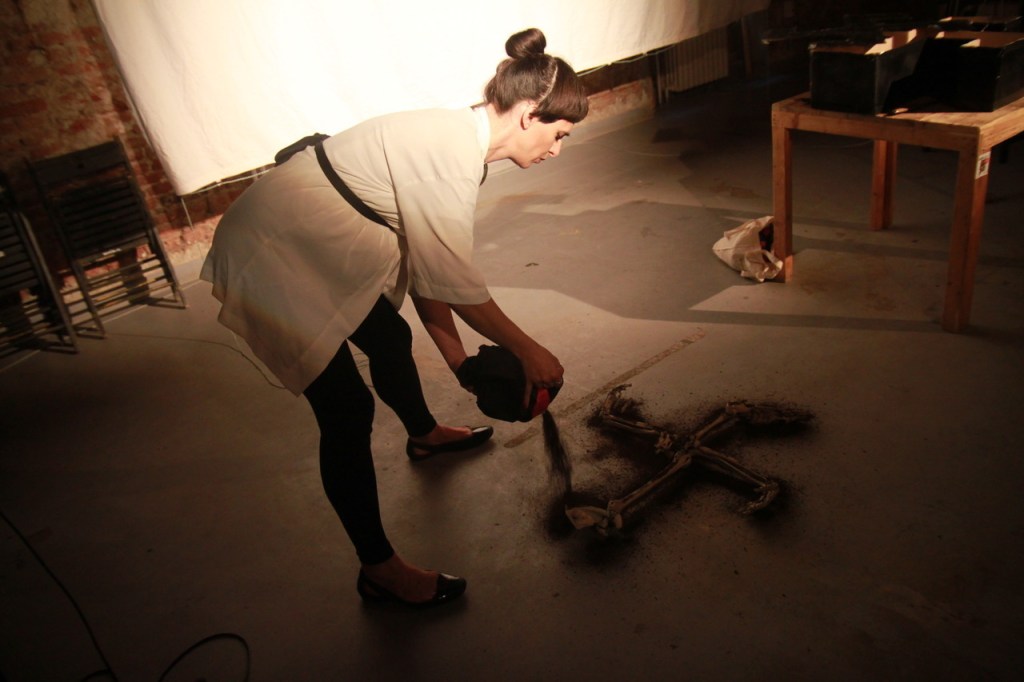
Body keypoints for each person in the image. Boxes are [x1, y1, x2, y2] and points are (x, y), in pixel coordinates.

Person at [200, 27, 588, 608]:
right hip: (272, 253)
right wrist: (530, 351)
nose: (557, 150)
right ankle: (378, 569)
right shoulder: (448, 156)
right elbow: (456, 284)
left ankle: (424, 436)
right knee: (346, 410)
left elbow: (432, 270)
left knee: (388, 335)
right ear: (530, 114)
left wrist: (462, 367)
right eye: (558, 135)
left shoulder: (460, 148)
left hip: (312, 246)